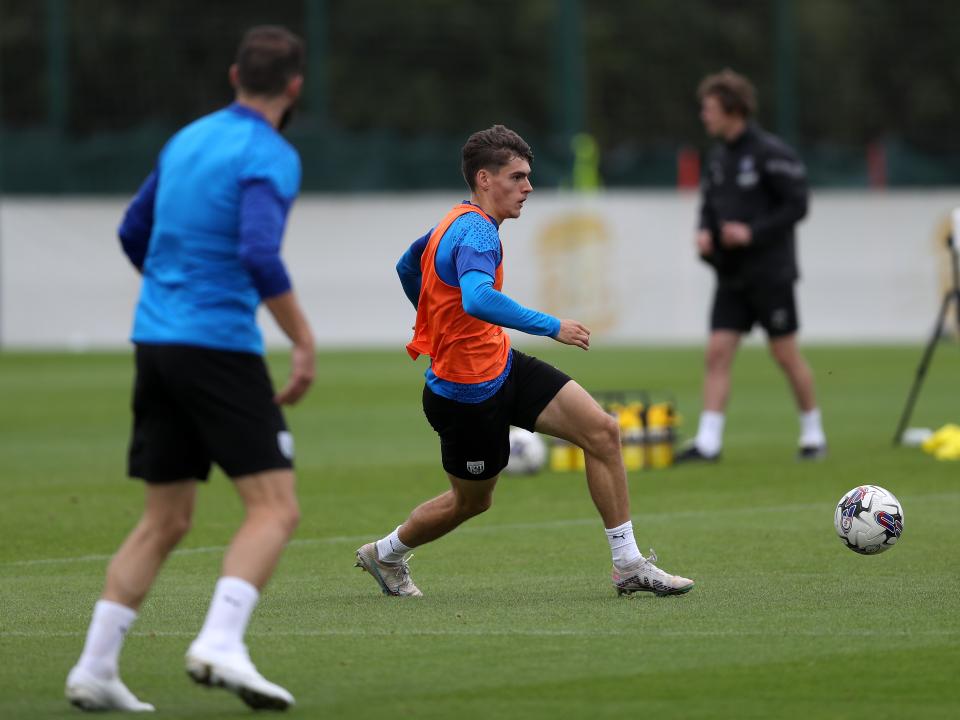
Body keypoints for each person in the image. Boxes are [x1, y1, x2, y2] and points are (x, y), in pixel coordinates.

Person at [65, 26, 314, 712]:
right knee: (274, 507)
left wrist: (173, 290)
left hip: (156, 343)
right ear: (295, 86)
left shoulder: (187, 139)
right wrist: (302, 341)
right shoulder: (271, 154)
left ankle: (95, 667)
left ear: (235, 74)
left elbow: (131, 232)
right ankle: (221, 643)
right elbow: (261, 254)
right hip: (219, 347)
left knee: (165, 518)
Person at [354, 125, 694, 599]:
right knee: (471, 502)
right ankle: (385, 553)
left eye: (528, 176)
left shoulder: (454, 221)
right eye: (517, 177)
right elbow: (476, 298)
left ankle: (629, 565)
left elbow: (407, 267)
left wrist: (437, 320)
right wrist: (551, 325)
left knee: (602, 431)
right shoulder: (476, 233)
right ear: (485, 179)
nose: (528, 187)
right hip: (464, 398)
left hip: (502, 367)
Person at [677, 69, 827, 463]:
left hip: (770, 273)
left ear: (733, 109)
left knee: (785, 354)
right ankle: (708, 443)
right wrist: (705, 233)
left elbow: (797, 205)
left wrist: (752, 233)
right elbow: (709, 206)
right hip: (730, 275)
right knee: (717, 353)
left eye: (709, 109)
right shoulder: (719, 157)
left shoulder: (770, 152)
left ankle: (814, 435)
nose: (704, 116)